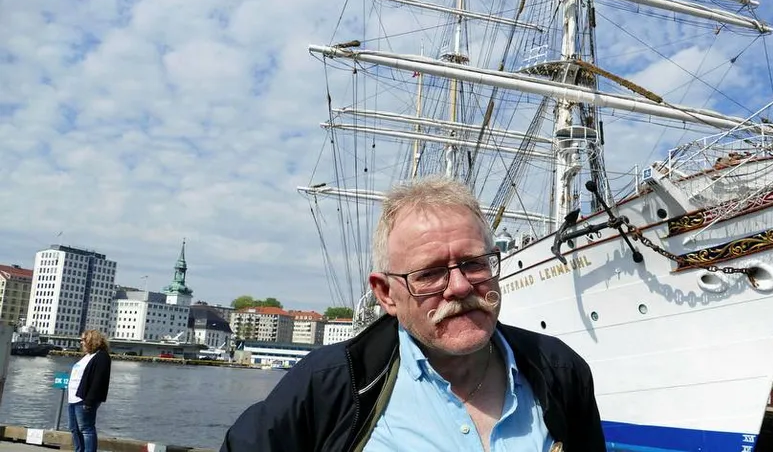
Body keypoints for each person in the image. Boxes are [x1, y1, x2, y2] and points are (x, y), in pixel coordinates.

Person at [221, 176, 605, 451]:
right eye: (431, 273)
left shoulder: (559, 371)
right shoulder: (334, 384)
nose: (459, 286)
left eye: (474, 264)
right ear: (386, 294)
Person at [67, 329, 111, 452]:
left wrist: (89, 401)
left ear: (92, 340)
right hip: (73, 398)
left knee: (86, 429)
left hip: (85, 399)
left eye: (83, 340)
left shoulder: (101, 356)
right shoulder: (87, 356)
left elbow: (98, 380)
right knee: (74, 428)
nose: (81, 343)